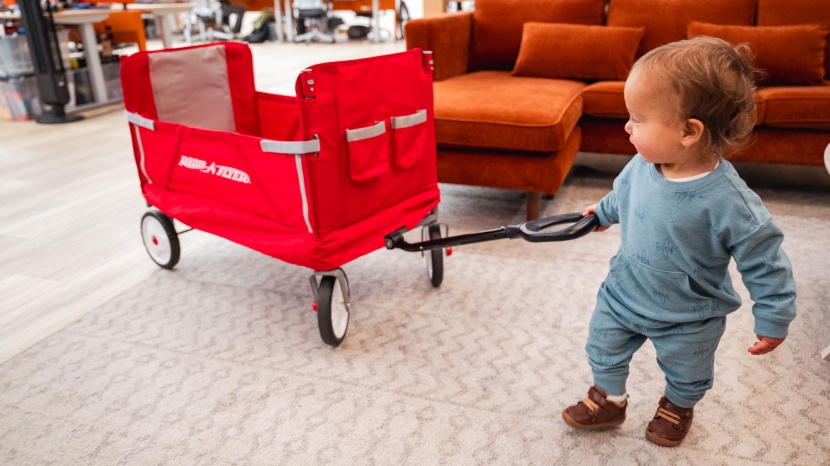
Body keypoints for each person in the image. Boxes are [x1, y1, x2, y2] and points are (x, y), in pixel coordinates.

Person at [562, 36, 797, 447]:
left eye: (637, 118)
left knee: (688, 369)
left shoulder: (731, 202)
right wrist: (602, 213)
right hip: (625, 291)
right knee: (602, 343)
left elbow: (765, 262)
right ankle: (609, 398)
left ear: (689, 131)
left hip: (690, 312)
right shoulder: (643, 164)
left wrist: (774, 317)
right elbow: (624, 196)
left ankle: (677, 405)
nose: (626, 126)